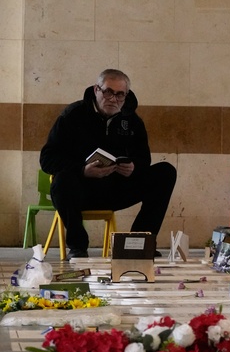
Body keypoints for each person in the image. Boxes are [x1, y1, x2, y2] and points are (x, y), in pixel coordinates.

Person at [40, 69, 177, 260]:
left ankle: (138, 242)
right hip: (81, 190)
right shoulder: (73, 115)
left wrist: (134, 168)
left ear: (126, 95)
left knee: (166, 172)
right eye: (108, 92)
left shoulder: (132, 121)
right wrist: (82, 170)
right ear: (97, 89)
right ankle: (78, 246)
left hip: (118, 188)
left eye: (120, 94)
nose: (113, 99)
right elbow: (47, 158)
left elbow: (144, 160)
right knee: (62, 181)